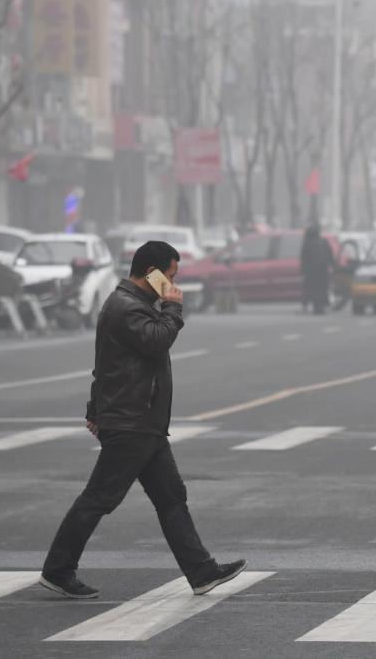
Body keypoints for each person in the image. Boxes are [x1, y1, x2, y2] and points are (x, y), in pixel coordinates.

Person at [40, 240, 245, 599]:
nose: (173, 283)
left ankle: (201, 572)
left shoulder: (132, 304)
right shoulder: (126, 308)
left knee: (171, 496)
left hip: (141, 421)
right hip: (132, 422)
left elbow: (106, 366)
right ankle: (58, 569)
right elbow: (156, 341)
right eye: (170, 276)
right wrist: (173, 308)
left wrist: (96, 410)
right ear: (151, 273)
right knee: (100, 498)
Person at [299, 224, 335, 315]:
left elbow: (304, 258)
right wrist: (333, 266)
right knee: (322, 288)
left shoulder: (307, 243)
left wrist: (303, 270)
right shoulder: (323, 241)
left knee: (312, 289)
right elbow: (330, 255)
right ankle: (321, 306)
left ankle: (313, 306)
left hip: (312, 271)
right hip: (323, 269)